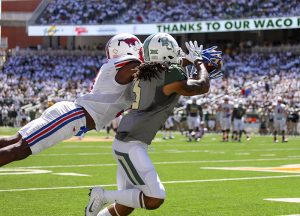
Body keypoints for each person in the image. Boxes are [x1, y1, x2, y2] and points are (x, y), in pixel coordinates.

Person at [85, 33, 222, 216]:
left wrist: (190, 61)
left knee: (126, 205)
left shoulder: (146, 71)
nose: (179, 53)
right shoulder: (169, 75)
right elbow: (202, 86)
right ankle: (102, 195)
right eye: (176, 50)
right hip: (131, 145)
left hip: (127, 140)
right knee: (154, 198)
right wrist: (198, 62)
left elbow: (169, 69)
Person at [0, 33, 162, 167]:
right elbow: (145, 71)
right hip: (73, 117)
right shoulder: (128, 65)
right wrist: (172, 62)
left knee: (16, 141)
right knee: (20, 149)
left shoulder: (120, 67)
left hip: (71, 114)